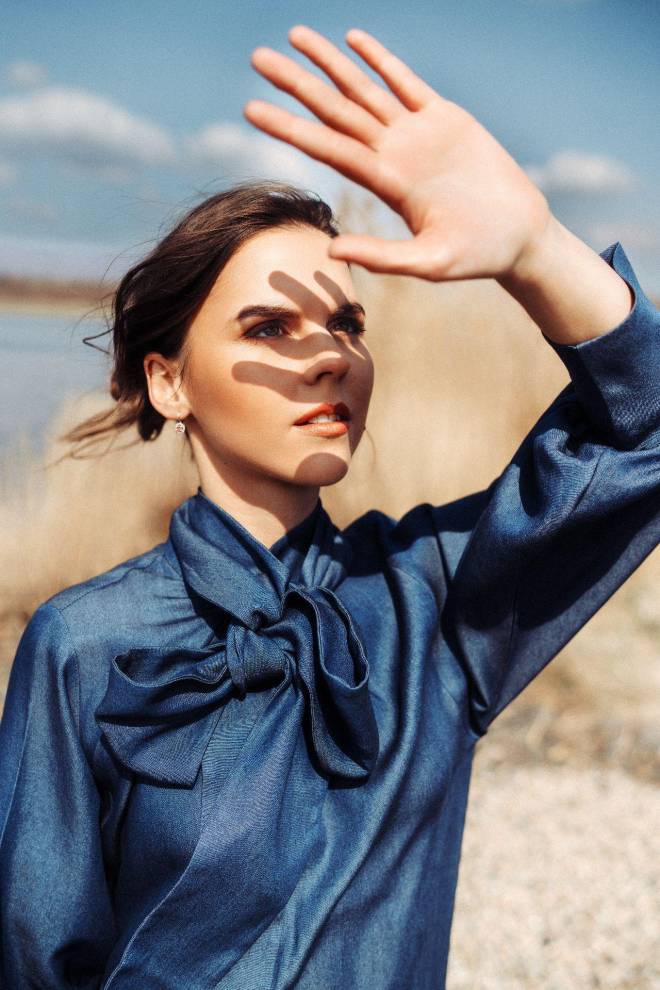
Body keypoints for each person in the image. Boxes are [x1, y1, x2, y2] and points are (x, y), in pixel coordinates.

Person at [0, 23, 658, 990]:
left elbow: (642, 433)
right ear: (169, 382)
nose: (327, 357)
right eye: (270, 327)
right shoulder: (83, 642)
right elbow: (35, 957)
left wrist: (534, 248)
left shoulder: (433, 601)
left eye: (346, 324)